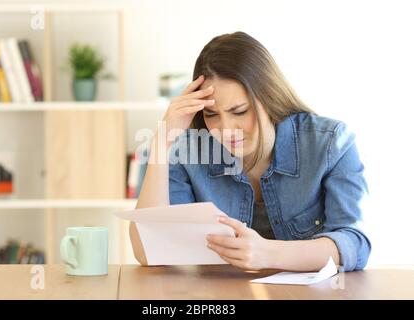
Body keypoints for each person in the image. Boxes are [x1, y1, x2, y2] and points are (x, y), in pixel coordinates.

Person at [130, 31, 370, 272]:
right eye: (211, 114)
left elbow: (354, 244)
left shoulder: (330, 143)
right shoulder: (188, 150)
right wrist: (162, 142)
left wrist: (269, 253)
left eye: (240, 111)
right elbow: (149, 252)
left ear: (269, 98)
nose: (226, 129)